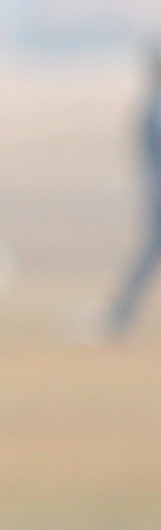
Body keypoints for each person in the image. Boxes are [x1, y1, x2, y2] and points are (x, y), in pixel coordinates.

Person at [105, 43, 161, 338]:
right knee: (148, 256)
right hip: (159, 198)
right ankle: (120, 314)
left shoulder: (150, 110)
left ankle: (121, 314)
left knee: (148, 256)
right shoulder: (151, 111)